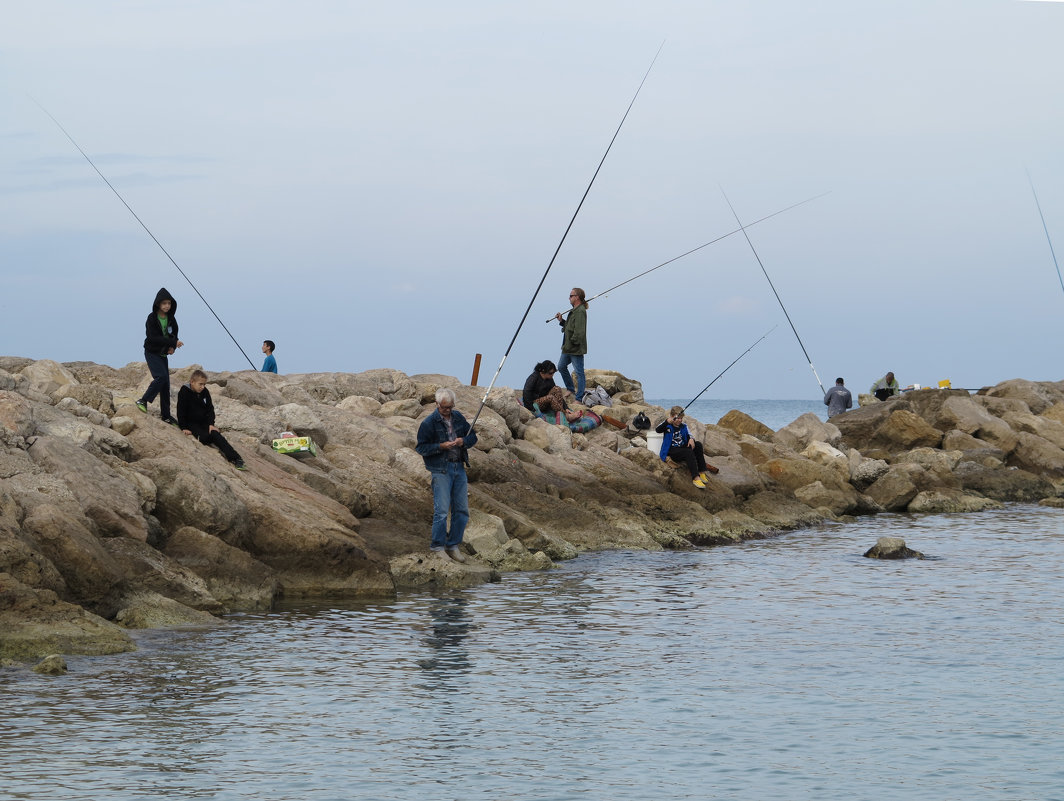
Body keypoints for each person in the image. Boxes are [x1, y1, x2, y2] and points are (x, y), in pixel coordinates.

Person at [415, 388, 478, 562]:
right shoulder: (429, 423)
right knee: (441, 511)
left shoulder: (458, 417)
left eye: (450, 407)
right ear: (437, 405)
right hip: (440, 470)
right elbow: (421, 447)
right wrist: (440, 447)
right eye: (444, 408)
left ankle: (453, 546)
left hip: (459, 468)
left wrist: (463, 441)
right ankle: (437, 547)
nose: (447, 410)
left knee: (462, 510)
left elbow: (473, 437)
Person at [177, 370, 246, 469]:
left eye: (204, 384)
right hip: (191, 423)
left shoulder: (205, 392)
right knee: (204, 438)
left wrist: (211, 424)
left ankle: (236, 459)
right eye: (200, 384)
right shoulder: (184, 391)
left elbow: (210, 409)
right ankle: (209, 438)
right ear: (192, 382)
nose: (202, 387)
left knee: (216, 435)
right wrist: (183, 427)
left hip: (204, 423)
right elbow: (180, 410)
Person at [135, 287, 183, 424]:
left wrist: (172, 347)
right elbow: (153, 338)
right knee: (160, 377)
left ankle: (166, 415)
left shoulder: (171, 319)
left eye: (169, 303)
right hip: (152, 352)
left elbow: (174, 335)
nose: (167, 306)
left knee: (165, 385)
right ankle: (143, 400)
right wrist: (173, 342)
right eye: (164, 303)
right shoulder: (151, 318)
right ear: (158, 304)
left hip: (163, 355)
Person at [656, 406, 717, 489]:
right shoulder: (667, 425)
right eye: (677, 418)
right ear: (672, 416)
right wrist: (667, 421)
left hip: (682, 448)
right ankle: (695, 477)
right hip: (672, 450)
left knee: (698, 444)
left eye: (681, 418)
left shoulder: (684, 426)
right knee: (688, 452)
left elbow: (689, 435)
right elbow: (658, 429)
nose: (680, 420)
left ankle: (702, 471)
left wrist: (691, 439)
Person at [554, 287, 588, 401]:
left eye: (571, 295)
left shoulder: (580, 311)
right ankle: (570, 388)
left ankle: (579, 398)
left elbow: (579, 332)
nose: (569, 298)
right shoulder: (573, 311)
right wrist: (561, 321)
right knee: (561, 366)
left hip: (575, 348)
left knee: (579, 373)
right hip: (567, 348)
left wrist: (573, 342)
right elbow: (569, 327)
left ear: (577, 297)